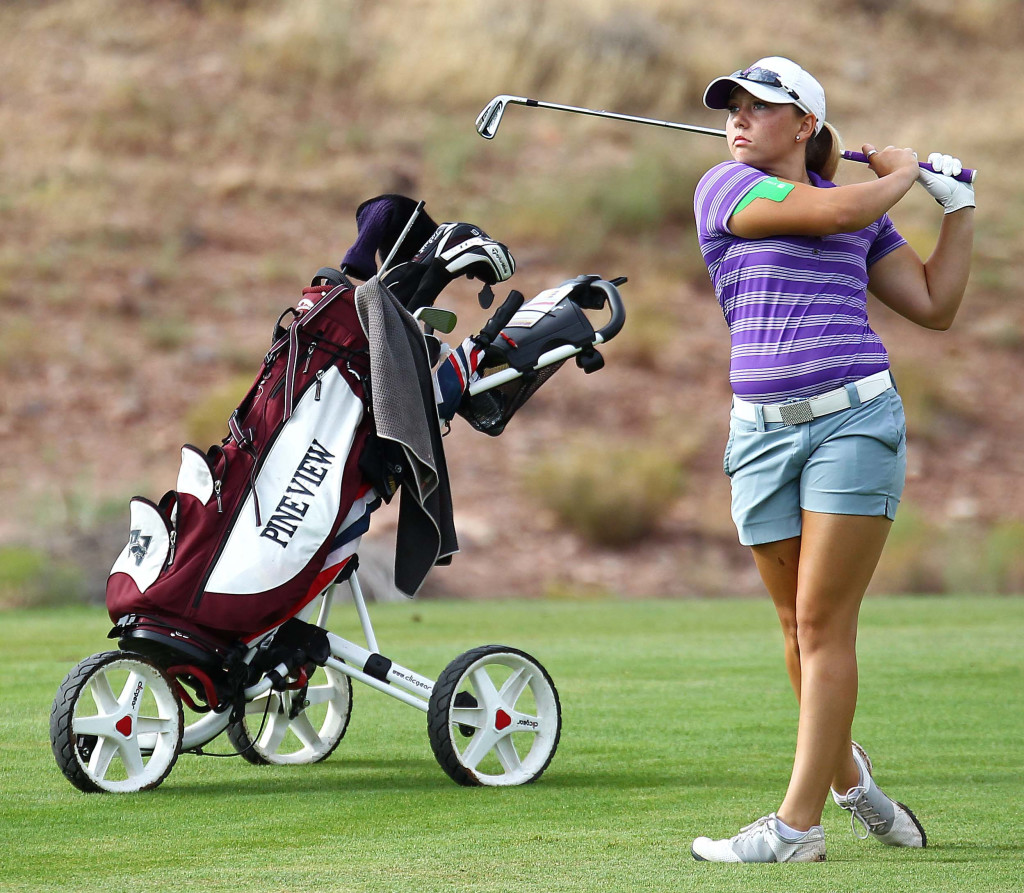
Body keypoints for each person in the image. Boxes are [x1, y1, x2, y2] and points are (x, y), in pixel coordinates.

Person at [689, 56, 975, 863]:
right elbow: (828, 209)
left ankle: (795, 826)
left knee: (820, 622)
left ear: (806, 124)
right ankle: (854, 785)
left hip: (855, 422)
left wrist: (958, 209)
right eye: (732, 107)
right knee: (793, 628)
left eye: (760, 107)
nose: (738, 119)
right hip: (760, 434)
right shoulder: (726, 188)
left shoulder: (859, 213)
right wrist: (907, 172)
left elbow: (933, 304)